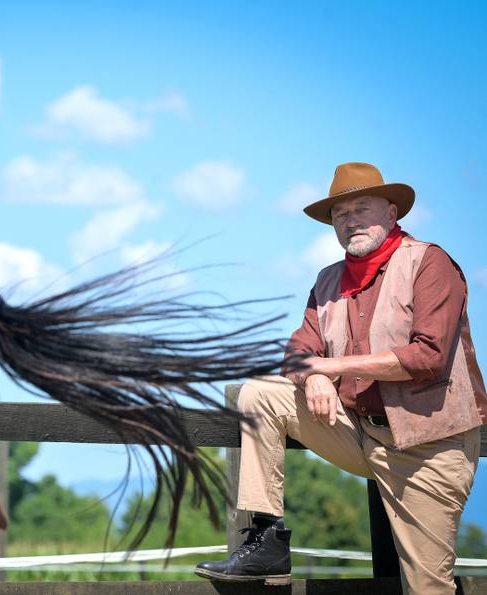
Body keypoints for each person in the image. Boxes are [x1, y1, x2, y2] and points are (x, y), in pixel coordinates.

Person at [195, 162, 486, 593]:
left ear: (391, 213)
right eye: (339, 215)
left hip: (428, 448)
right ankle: (267, 538)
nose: (350, 221)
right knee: (260, 393)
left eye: (361, 209)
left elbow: (429, 356)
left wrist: (331, 368)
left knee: (427, 586)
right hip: (359, 434)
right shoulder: (328, 278)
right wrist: (312, 379)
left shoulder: (430, 263)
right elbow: (298, 352)